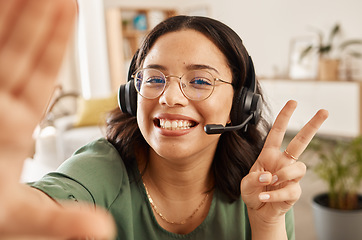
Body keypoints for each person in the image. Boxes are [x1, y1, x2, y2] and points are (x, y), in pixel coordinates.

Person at [0, 0, 329, 239]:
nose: (169, 98)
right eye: (154, 79)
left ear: (240, 105)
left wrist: (267, 223)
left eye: (200, 81)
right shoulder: (101, 167)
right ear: (132, 95)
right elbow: (33, 208)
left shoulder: (264, 183)